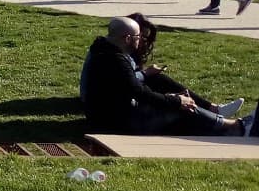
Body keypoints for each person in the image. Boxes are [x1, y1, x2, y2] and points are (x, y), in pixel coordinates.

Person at [80, 17, 253, 136]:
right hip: (115, 121)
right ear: (127, 38)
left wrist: (169, 98)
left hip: (110, 112)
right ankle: (235, 127)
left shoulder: (105, 50)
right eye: (138, 36)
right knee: (183, 109)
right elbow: (138, 92)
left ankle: (218, 115)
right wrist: (176, 101)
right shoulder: (114, 59)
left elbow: (129, 86)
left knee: (158, 83)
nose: (140, 40)